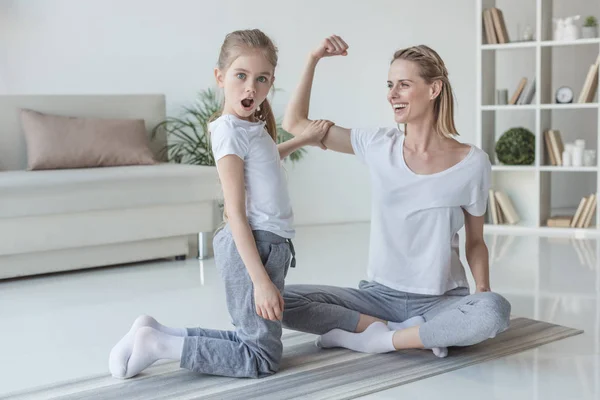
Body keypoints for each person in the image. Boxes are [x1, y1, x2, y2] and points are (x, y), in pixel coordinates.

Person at [108, 29, 333, 379]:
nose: (251, 88)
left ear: (272, 81)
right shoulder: (228, 131)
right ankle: (159, 346)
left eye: (262, 79)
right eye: (240, 76)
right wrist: (260, 281)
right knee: (260, 357)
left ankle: (156, 333)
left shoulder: (249, 126)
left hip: (266, 244)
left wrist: (303, 139)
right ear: (220, 77)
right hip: (253, 247)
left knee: (251, 340)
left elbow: (264, 160)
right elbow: (236, 214)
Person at [281, 35, 511, 357]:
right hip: (378, 297)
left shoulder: (472, 162)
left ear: (434, 89)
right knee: (278, 300)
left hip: (440, 300)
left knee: (493, 310)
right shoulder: (378, 144)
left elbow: (475, 241)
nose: (392, 94)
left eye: (403, 84)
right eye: (390, 85)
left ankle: (379, 338)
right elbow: (296, 124)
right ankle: (410, 334)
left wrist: (481, 292)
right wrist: (313, 58)